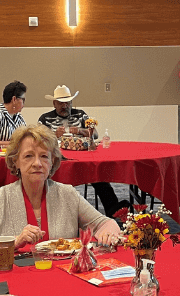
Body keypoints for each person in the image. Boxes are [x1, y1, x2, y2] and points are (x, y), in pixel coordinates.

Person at [0, 124, 121, 252]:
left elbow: (106, 223)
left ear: (52, 162)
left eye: (44, 156)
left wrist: (107, 233)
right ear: (15, 162)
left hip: (64, 277)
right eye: (28, 156)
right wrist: (13, 242)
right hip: (17, 279)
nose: (37, 164)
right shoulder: (0, 198)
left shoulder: (67, 194)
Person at [37, 84, 129, 216]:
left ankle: (112, 208)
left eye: (68, 103)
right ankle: (52, 213)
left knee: (98, 173)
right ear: (54, 103)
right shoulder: (44, 118)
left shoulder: (80, 114)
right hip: (58, 161)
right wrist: (53, 135)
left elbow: (95, 134)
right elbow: (38, 140)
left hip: (82, 159)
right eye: (62, 103)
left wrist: (81, 130)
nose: (65, 106)